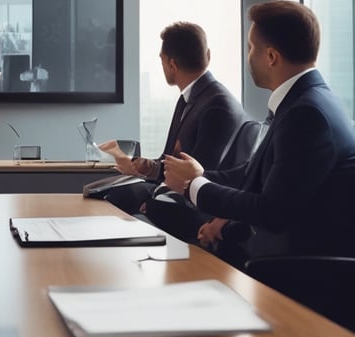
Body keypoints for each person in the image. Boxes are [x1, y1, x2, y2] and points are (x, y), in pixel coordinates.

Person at [163, 1, 355, 263]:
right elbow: (255, 175)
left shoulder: (306, 115)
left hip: (294, 269)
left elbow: (272, 211)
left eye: (251, 47)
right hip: (284, 253)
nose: (248, 56)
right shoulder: (308, 101)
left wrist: (193, 186)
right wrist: (200, 176)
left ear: (271, 57)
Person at [100, 22, 247, 217]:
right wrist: (149, 167)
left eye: (161, 60)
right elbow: (171, 160)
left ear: (172, 64)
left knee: (117, 198)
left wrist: (154, 199)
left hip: (195, 206)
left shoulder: (217, 106)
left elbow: (198, 174)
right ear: (208, 55)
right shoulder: (191, 98)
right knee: (112, 192)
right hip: (179, 193)